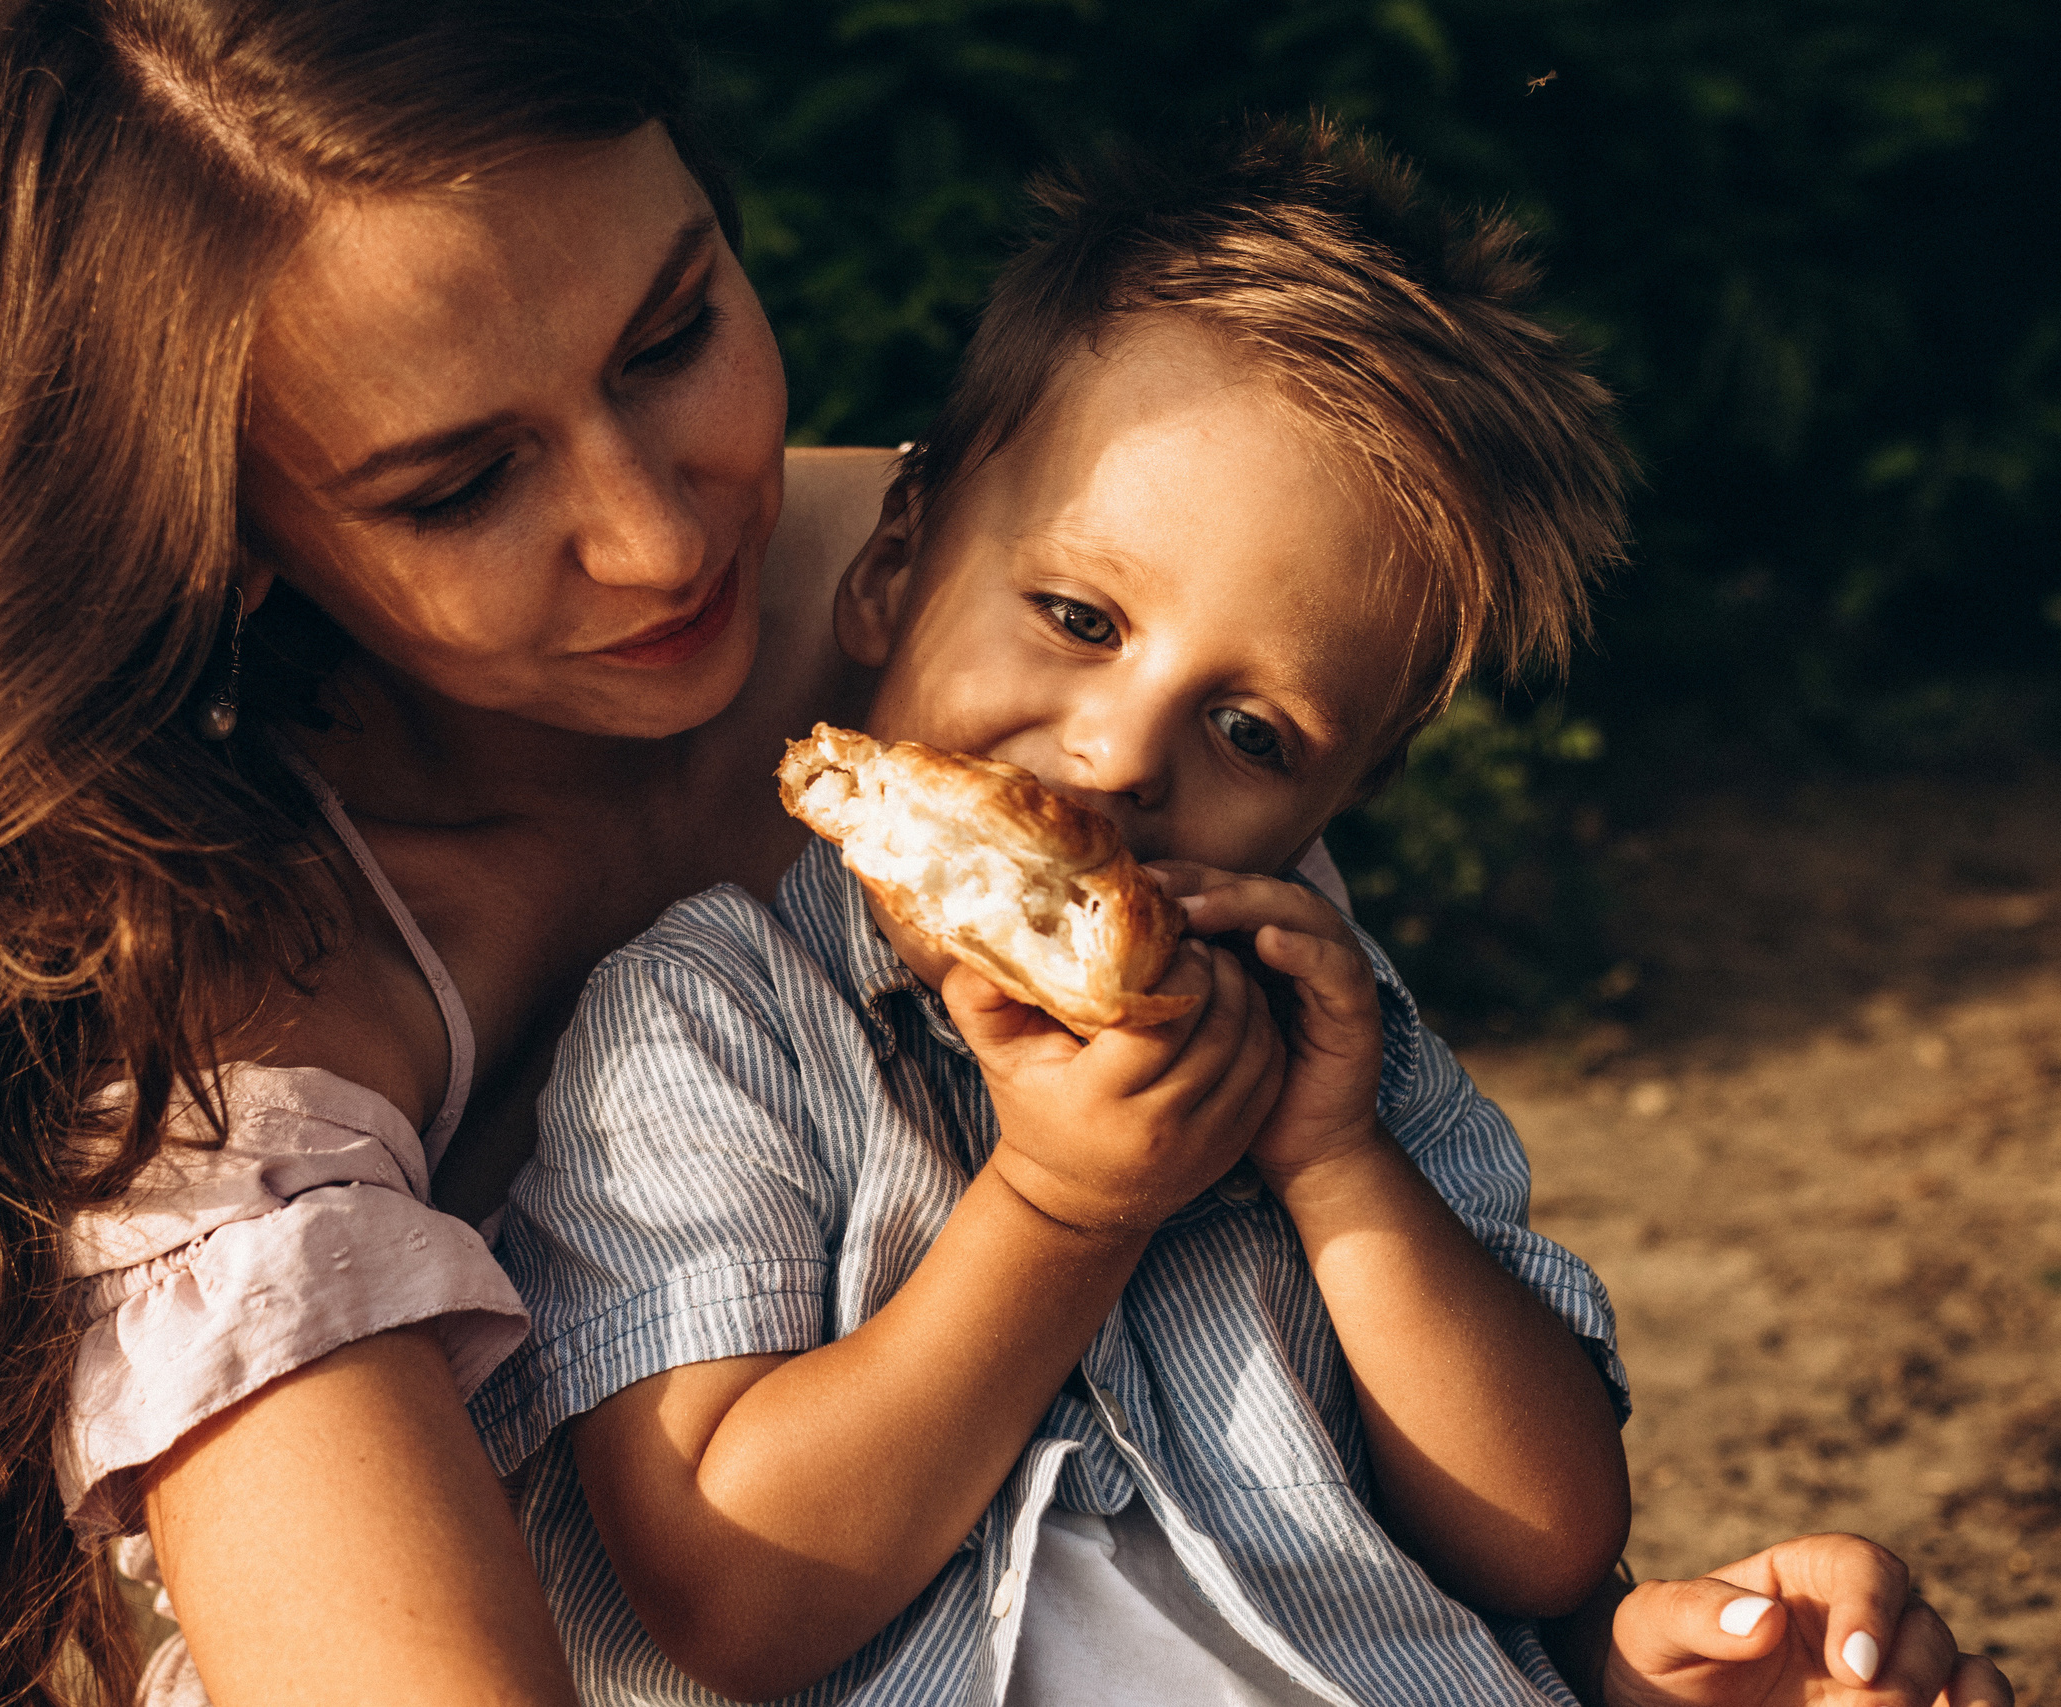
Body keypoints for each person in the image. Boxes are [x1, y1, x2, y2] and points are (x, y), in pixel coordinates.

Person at [0, 1, 2011, 1702]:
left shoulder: (1047, 626)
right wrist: (1061, 1207)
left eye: (674, 328)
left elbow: (1463, 1517)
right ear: (229, 534)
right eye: (454, 482)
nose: (655, 523)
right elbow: (664, 1604)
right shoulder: (273, 1013)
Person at [472, 123, 2016, 1707]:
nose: (1122, 756)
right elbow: (734, 1597)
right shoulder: (707, 1022)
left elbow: (1546, 1540)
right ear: (892, 564)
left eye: (1254, 734)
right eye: (1079, 619)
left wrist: (1341, 1173)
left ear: (1333, 807)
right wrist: (1062, 1207)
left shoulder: (1333, 1050)